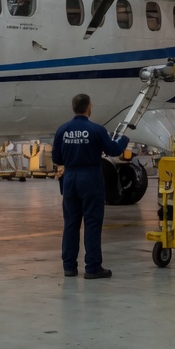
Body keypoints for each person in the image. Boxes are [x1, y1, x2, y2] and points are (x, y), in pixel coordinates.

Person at [52, 93, 129, 279]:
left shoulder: (63, 130)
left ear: (74, 108)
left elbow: (56, 158)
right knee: (92, 223)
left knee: (71, 224)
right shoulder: (96, 130)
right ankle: (93, 267)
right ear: (89, 107)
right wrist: (124, 139)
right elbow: (113, 150)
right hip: (90, 178)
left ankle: (69, 267)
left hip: (70, 178)